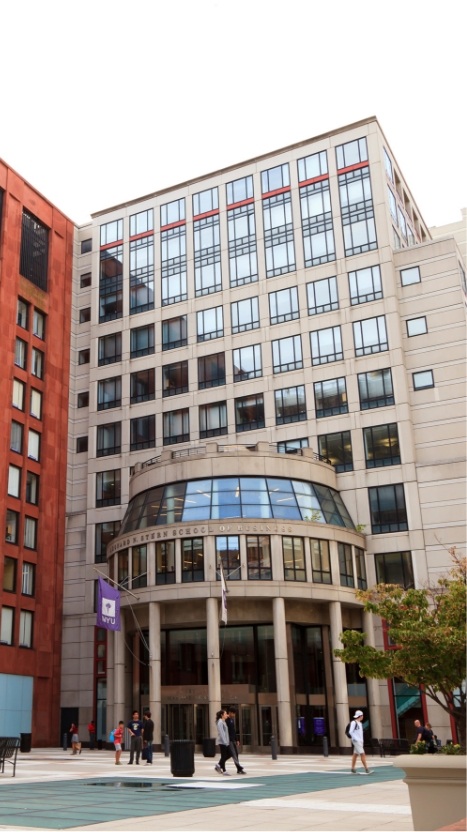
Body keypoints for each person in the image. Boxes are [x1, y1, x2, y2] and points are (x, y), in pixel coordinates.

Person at [348, 710, 372, 774]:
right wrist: (355, 739)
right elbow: (350, 731)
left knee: (355, 754)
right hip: (356, 741)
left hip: (359, 741)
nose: (362, 717)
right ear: (360, 716)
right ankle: (366, 769)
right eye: (362, 715)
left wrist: (361, 741)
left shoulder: (360, 723)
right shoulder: (354, 722)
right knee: (362, 754)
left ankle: (353, 768)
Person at [226, 707, 246, 774]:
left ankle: (238, 768)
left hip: (232, 740)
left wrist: (237, 739)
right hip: (229, 740)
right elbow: (226, 731)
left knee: (235, 754)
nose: (234, 715)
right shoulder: (227, 720)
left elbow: (233, 731)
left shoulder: (231, 720)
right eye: (233, 713)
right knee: (233, 754)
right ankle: (239, 767)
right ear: (230, 712)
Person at [214, 709, 233, 775]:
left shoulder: (223, 721)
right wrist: (225, 742)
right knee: (225, 755)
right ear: (222, 715)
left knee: (226, 755)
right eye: (225, 714)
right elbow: (222, 733)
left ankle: (219, 765)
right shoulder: (220, 722)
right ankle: (223, 769)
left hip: (225, 742)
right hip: (222, 742)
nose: (226, 715)